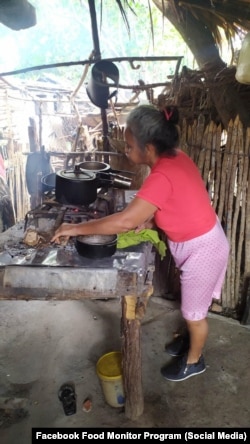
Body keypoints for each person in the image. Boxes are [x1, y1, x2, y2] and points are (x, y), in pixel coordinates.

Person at [51, 104, 229, 382]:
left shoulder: (161, 176)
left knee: (194, 313)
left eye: (130, 145)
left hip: (203, 249)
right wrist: (154, 219)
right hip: (202, 239)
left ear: (149, 148)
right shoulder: (176, 158)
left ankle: (195, 360)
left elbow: (123, 222)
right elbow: (181, 201)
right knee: (194, 304)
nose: (126, 150)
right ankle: (190, 342)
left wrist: (73, 229)